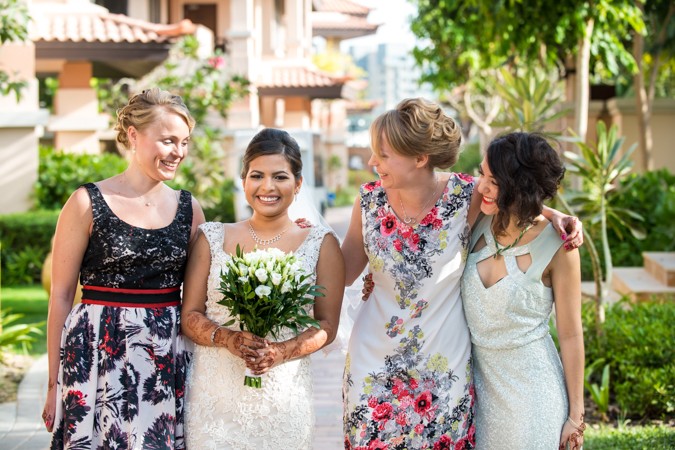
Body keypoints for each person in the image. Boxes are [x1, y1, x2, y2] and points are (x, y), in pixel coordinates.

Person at [341, 98, 582, 449]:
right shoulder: (368, 202)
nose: (372, 162)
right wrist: (300, 244)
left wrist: (554, 215)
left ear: (420, 158)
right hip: (372, 366)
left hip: (443, 373)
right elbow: (341, 272)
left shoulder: (463, 197)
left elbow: (514, 194)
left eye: (383, 154)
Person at [42, 88, 205, 449]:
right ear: (133, 135)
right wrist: (53, 384)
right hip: (95, 353)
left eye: (184, 142)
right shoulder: (85, 202)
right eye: (168, 140)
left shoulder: (189, 209)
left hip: (163, 357)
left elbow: (202, 294)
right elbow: (62, 296)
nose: (178, 152)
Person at [181, 127, 345, 449]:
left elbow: (326, 325)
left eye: (280, 177)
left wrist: (280, 352)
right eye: (257, 176)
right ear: (243, 180)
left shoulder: (320, 244)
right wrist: (228, 338)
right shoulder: (211, 237)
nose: (267, 187)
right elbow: (190, 316)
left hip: (283, 399)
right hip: (214, 401)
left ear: (298, 184)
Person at [461, 132, 584, 450]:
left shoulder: (561, 247)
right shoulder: (477, 216)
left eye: (493, 181)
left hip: (533, 397)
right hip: (476, 395)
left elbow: (571, 334)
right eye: (482, 174)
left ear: (519, 187)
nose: (481, 187)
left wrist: (576, 417)